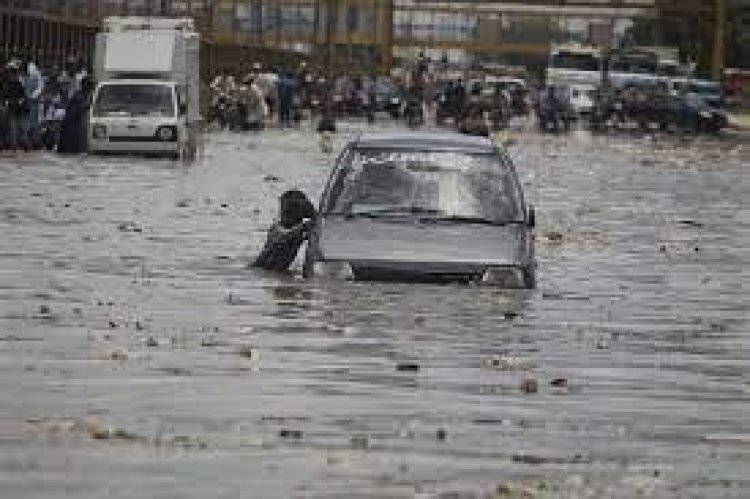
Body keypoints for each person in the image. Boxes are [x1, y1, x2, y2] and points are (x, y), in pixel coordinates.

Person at [251, 190, 317, 272]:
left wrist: (314, 218)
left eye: (287, 212)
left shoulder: (299, 231)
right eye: (283, 211)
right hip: (261, 269)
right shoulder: (276, 228)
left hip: (273, 270)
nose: (283, 215)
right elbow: (284, 236)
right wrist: (303, 226)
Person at [57, 76, 93, 154]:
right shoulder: (77, 93)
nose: (85, 86)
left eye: (88, 84)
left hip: (81, 118)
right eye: (84, 84)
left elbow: (88, 105)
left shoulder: (92, 94)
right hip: (72, 118)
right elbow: (70, 105)